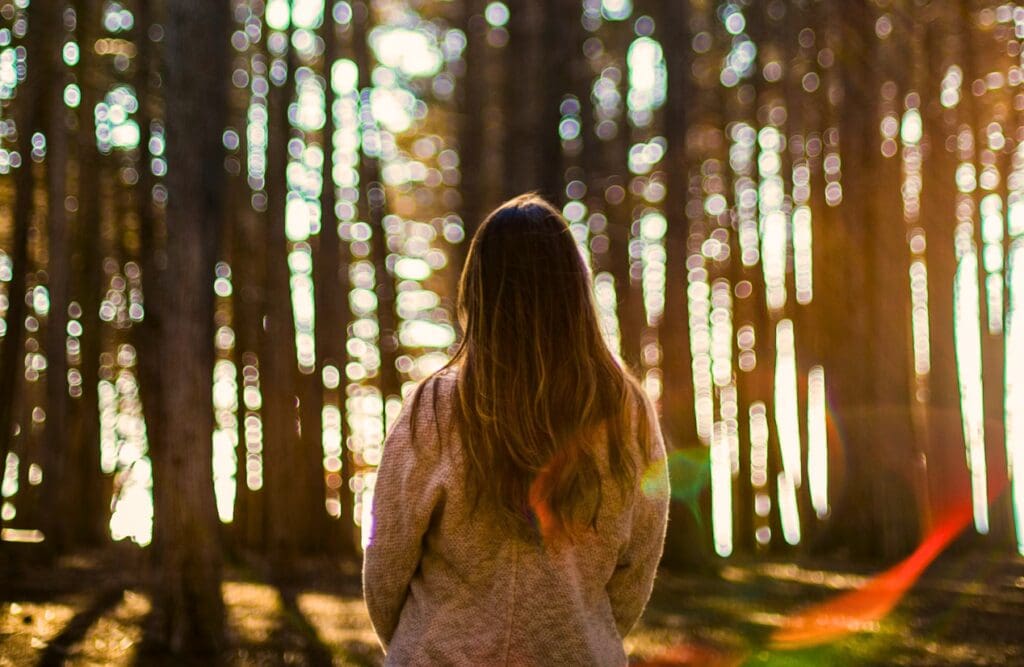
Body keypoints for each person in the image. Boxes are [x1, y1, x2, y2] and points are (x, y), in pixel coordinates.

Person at [362, 193, 670, 665]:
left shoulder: (436, 408)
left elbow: (386, 566)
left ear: (480, 290)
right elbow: (634, 573)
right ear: (575, 290)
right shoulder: (627, 413)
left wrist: (420, 642)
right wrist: (577, 631)